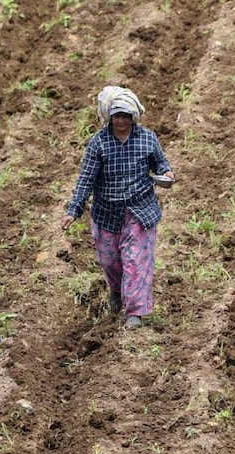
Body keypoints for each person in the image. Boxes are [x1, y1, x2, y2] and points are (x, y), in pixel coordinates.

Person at [60, 86, 175, 330]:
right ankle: (116, 291)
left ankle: (136, 312)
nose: (121, 121)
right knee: (110, 260)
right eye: (117, 116)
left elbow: (161, 163)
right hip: (106, 213)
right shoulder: (99, 143)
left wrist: (166, 173)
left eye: (125, 116)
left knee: (136, 260)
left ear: (133, 118)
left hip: (140, 210)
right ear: (109, 118)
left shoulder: (147, 138)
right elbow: (86, 179)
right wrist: (74, 209)